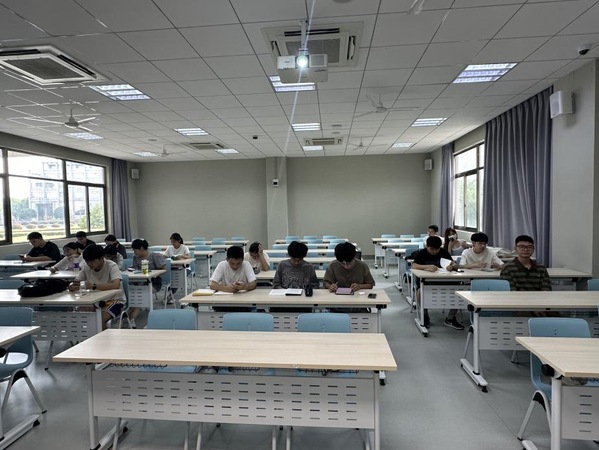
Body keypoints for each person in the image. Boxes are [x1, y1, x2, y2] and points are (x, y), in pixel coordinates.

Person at [69, 245, 124, 330]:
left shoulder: (111, 266)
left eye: (92, 261)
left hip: (114, 300)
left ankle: (104, 338)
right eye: (87, 261)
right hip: (94, 300)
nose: (89, 264)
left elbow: (116, 285)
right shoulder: (86, 267)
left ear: (101, 258)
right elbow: (76, 281)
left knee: (99, 320)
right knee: (76, 316)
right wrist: (72, 286)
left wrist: (93, 286)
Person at [412, 236, 462, 330]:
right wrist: (426, 267)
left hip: (444, 280)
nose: (435, 251)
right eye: (432, 249)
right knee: (420, 292)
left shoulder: (443, 252)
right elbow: (414, 265)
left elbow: (453, 263)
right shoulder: (422, 253)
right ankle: (424, 315)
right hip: (426, 281)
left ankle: (450, 318)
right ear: (427, 246)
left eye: (437, 249)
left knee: (459, 291)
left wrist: (452, 266)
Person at [130, 238, 166, 322]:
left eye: (135, 250)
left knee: (142, 293)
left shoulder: (155, 256)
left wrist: (153, 274)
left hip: (154, 283)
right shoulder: (135, 257)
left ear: (141, 248)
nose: (134, 253)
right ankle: (131, 312)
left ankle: (133, 316)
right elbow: (135, 269)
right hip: (139, 282)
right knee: (132, 293)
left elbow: (164, 270)